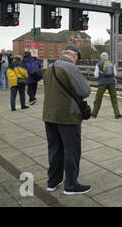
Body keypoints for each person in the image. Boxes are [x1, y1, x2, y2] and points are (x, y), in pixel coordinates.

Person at [42, 44, 92, 195]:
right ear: (74, 55)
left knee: (55, 149)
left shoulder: (50, 67)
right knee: (72, 150)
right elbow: (85, 91)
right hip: (67, 117)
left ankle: (53, 181)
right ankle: (71, 185)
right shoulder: (70, 67)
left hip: (49, 115)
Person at [91, 52, 122, 119]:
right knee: (114, 99)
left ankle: (94, 114)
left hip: (102, 83)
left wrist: (101, 75)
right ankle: (117, 114)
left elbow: (96, 75)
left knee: (98, 99)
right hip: (111, 83)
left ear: (101, 57)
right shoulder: (112, 63)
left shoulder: (98, 64)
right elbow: (115, 74)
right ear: (108, 57)